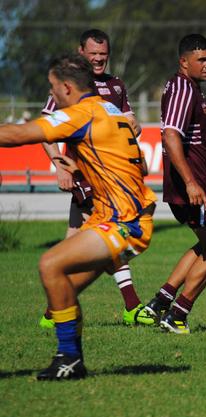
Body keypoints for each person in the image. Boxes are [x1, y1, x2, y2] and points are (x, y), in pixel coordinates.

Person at [0, 54, 156, 380]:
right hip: (124, 216)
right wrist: (86, 165)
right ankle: (71, 361)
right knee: (64, 287)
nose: (52, 96)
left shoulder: (80, 113)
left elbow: (16, 136)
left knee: (50, 264)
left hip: (123, 222)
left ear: (68, 87)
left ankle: (68, 359)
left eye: (53, 88)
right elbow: (141, 167)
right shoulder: (111, 111)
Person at [39, 29, 150, 328]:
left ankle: (52, 313)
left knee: (74, 239)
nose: (99, 59)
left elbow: (128, 124)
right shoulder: (70, 86)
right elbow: (46, 130)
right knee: (110, 236)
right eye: (93, 54)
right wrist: (60, 167)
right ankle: (132, 305)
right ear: (81, 52)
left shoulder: (116, 85)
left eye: (103, 54)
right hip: (85, 175)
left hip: (109, 175)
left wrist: (133, 125)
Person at [142, 34, 206, 334]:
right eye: (202, 60)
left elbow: (188, 136)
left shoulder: (185, 86)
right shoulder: (184, 88)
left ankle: (159, 303)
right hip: (201, 187)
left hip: (190, 184)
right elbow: (171, 136)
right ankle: (178, 315)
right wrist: (192, 181)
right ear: (184, 62)